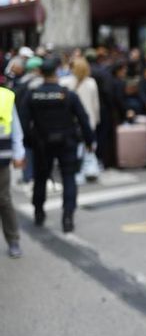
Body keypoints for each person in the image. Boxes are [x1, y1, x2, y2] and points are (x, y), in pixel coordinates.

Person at [19, 57, 95, 233]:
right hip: (67, 141)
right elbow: (84, 120)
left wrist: (29, 142)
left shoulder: (33, 95)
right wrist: (90, 141)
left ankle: (39, 212)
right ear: (57, 72)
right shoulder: (68, 95)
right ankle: (68, 216)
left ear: (40, 73)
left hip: (42, 143)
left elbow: (23, 122)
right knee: (69, 178)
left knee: (40, 178)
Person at [0, 85, 25, 257]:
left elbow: (15, 128)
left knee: (4, 200)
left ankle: (13, 239)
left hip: (1, 159)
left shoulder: (5, 96)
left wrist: (18, 154)